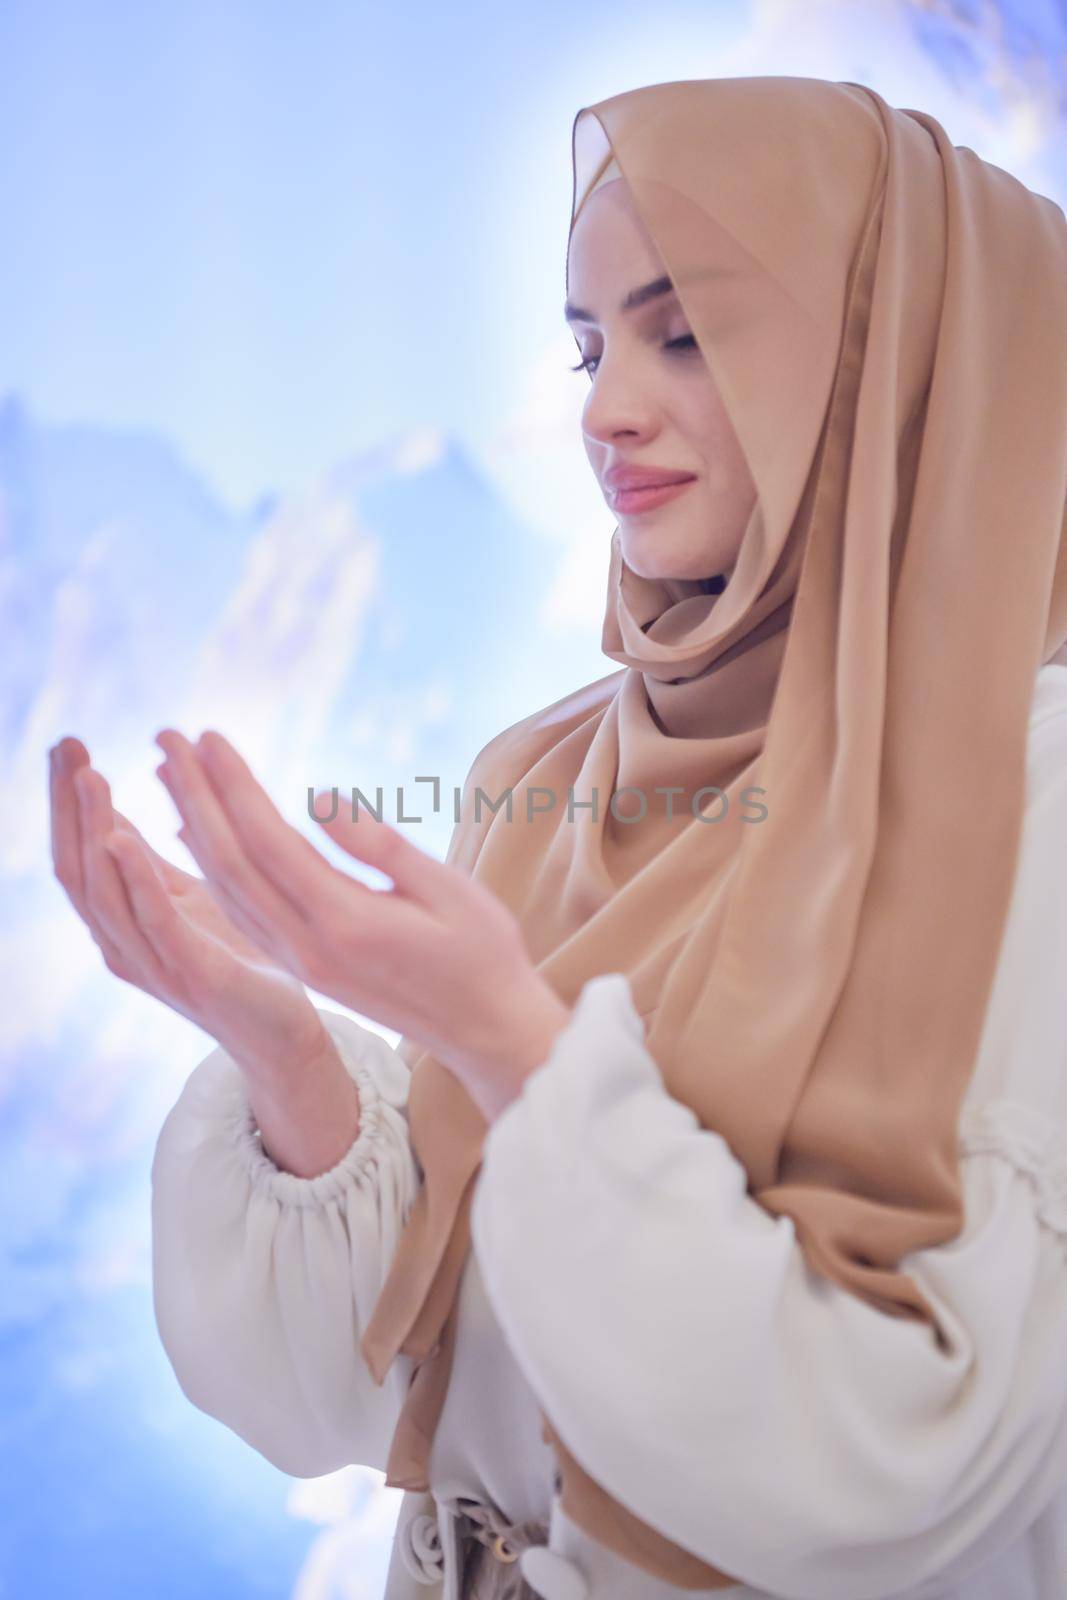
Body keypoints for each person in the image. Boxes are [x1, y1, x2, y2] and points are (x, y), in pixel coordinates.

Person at [49, 76, 1067, 1600]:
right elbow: (386, 1399)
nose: (601, 407)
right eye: (589, 344)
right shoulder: (546, 771)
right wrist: (289, 1060)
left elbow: (894, 1468)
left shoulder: (1028, 790)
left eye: (688, 332)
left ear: (887, 371)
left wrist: (516, 1049)